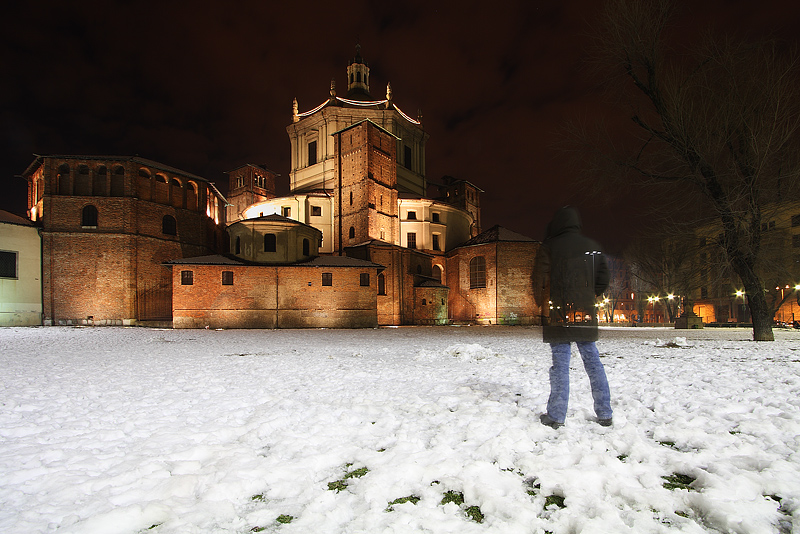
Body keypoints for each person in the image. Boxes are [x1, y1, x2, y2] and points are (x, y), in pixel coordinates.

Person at [533, 206, 613, 428]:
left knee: (560, 365)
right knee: (593, 362)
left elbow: (539, 279)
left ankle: (556, 416)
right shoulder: (592, 247)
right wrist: (588, 296)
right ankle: (604, 413)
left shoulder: (549, 246)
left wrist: (542, 303)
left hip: (557, 313)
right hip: (584, 313)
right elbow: (603, 278)